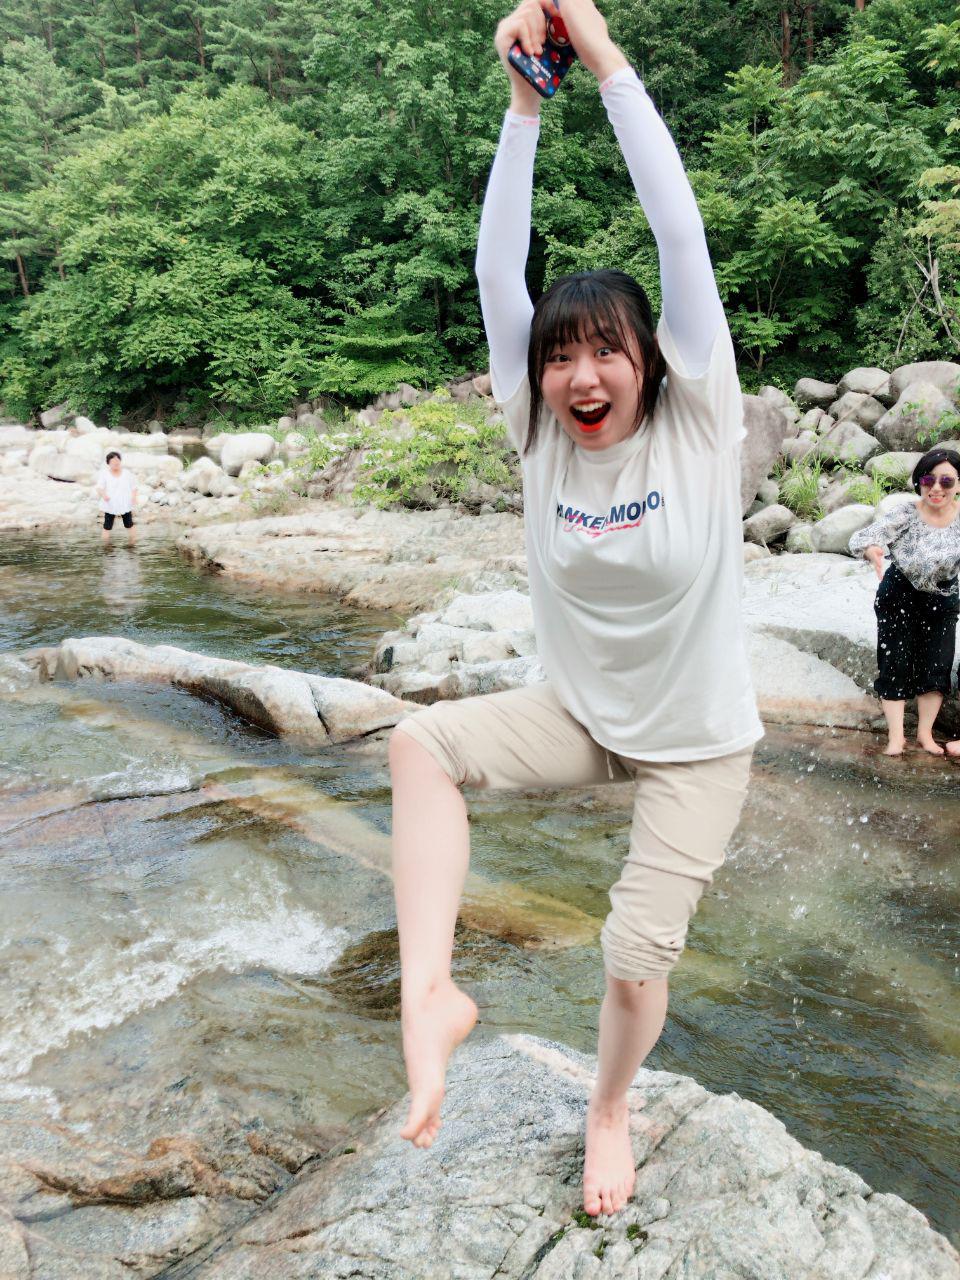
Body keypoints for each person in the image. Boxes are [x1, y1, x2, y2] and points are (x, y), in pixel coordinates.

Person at [388, 0, 763, 1218]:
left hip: (700, 737)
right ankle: (434, 996)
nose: (581, 374)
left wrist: (601, 61)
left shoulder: (699, 421)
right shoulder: (541, 435)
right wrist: (521, 104)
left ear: (651, 359)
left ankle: (611, 1105)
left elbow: (680, 231)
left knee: (633, 952)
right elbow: (502, 269)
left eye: (605, 351)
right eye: (559, 354)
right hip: (582, 712)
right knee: (417, 743)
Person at [849, 448, 960, 757]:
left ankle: (925, 734)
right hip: (899, 594)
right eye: (928, 479)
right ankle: (896, 737)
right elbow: (862, 538)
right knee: (895, 663)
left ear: (958, 485)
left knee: (937, 666)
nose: (936, 488)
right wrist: (873, 550)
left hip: (943, 597)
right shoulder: (905, 513)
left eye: (946, 481)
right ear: (919, 482)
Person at [96, 450, 138, 547]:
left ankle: (133, 544)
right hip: (111, 503)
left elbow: (134, 487)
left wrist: (134, 497)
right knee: (107, 526)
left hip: (125, 503)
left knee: (129, 524)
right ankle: (106, 547)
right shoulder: (105, 474)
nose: (116, 463)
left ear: (120, 461)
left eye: (117, 461)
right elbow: (99, 487)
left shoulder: (127, 473)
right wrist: (104, 495)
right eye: (113, 461)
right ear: (108, 463)